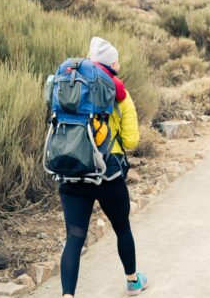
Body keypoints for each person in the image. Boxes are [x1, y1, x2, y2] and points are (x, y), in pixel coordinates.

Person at [58, 37, 146, 297]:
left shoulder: (69, 85)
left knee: (74, 237)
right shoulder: (120, 95)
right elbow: (131, 141)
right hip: (108, 174)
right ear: (112, 64)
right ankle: (132, 282)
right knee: (121, 227)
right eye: (117, 60)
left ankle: (67, 296)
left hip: (72, 171)